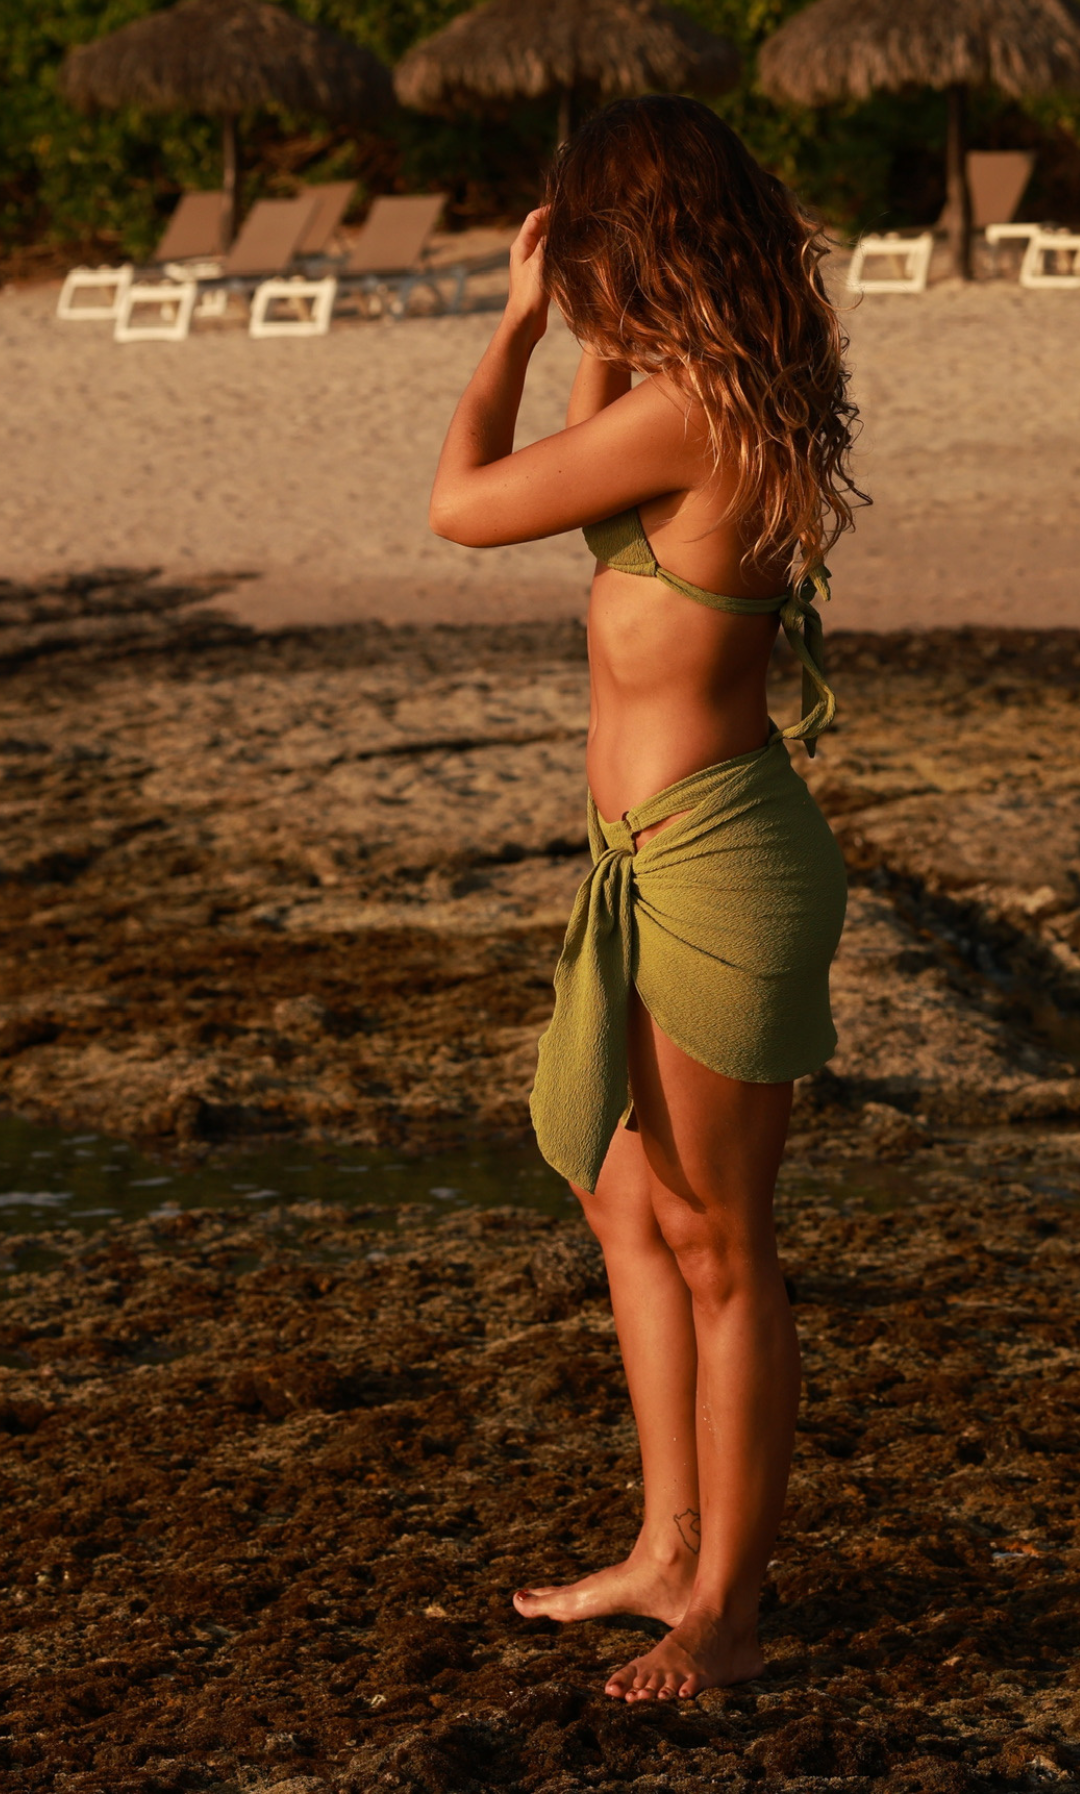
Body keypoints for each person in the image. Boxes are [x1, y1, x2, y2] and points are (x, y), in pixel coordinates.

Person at [428, 96, 862, 1703]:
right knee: (630, 1204)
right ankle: (665, 1549)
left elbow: (467, 502)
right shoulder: (704, 392)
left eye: (586, 240)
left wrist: (517, 327)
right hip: (647, 862)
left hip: (714, 865)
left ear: (627, 244)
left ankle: (724, 1608)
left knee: (720, 1241)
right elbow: (570, 495)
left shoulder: (694, 412)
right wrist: (588, 334)